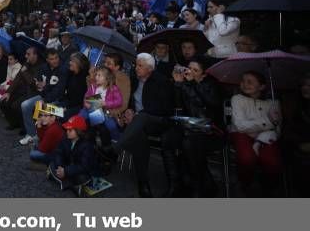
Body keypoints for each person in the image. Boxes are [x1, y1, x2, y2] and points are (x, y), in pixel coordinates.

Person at [113, 53, 176, 197]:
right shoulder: (134, 79)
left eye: (140, 66)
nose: (136, 68)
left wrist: (137, 115)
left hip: (157, 121)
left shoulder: (161, 81)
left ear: (150, 68)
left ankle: (115, 149)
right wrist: (128, 111)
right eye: (136, 65)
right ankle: (143, 182)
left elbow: (166, 109)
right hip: (138, 124)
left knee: (142, 117)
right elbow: (129, 100)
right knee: (138, 137)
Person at [172, 57, 223, 197]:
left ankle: (197, 186)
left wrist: (194, 83)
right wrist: (178, 84)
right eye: (189, 68)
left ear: (204, 74)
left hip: (210, 130)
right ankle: (186, 184)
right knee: (171, 139)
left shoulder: (211, 85)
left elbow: (212, 104)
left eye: (195, 70)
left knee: (189, 144)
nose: (190, 72)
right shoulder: (186, 84)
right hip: (190, 128)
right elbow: (178, 106)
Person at [230, 71, 283, 196]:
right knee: (247, 158)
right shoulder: (237, 99)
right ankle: (246, 183)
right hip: (240, 134)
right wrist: (267, 121)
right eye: (243, 81)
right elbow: (240, 126)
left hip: (266, 137)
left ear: (262, 86)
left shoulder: (273, 102)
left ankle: (267, 187)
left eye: (250, 81)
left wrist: (260, 136)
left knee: (272, 161)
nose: (245, 84)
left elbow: (277, 129)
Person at [19, 48, 68, 145]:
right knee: (25, 105)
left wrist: (45, 99)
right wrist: (37, 83)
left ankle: (40, 137)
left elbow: (59, 91)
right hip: (44, 95)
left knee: (40, 107)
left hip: (58, 100)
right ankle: (31, 134)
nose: (55, 60)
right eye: (52, 59)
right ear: (47, 60)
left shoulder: (63, 70)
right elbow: (37, 79)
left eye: (56, 58)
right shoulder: (44, 67)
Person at [49, 115, 99, 192]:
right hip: (69, 165)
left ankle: (63, 180)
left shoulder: (87, 145)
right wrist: (60, 166)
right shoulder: (66, 138)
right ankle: (68, 182)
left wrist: (66, 171)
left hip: (79, 169)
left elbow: (84, 166)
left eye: (70, 130)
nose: (67, 132)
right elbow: (58, 152)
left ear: (79, 131)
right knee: (53, 163)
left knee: (82, 177)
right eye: (67, 129)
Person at [0, 47, 43, 131]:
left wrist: (24, 72)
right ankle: (14, 123)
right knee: (3, 101)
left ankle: (24, 127)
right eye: (26, 54)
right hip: (22, 90)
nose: (26, 56)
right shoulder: (26, 64)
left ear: (35, 55)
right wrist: (8, 92)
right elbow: (17, 78)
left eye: (28, 54)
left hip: (33, 93)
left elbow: (33, 83)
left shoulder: (41, 66)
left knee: (16, 105)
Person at [78, 67, 123, 141]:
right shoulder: (93, 86)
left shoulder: (113, 88)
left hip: (105, 111)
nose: (96, 77)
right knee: (80, 116)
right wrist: (85, 103)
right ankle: (77, 132)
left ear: (107, 78)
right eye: (96, 75)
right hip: (91, 109)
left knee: (112, 126)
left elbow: (119, 101)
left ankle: (117, 140)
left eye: (99, 75)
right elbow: (86, 97)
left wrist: (106, 103)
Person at [62, 52, 89, 119]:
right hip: (67, 102)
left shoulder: (84, 79)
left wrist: (66, 108)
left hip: (78, 107)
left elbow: (79, 100)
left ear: (79, 64)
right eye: (70, 60)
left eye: (73, 61)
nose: (70, 63)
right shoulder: (71, 73)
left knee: (59, 116)